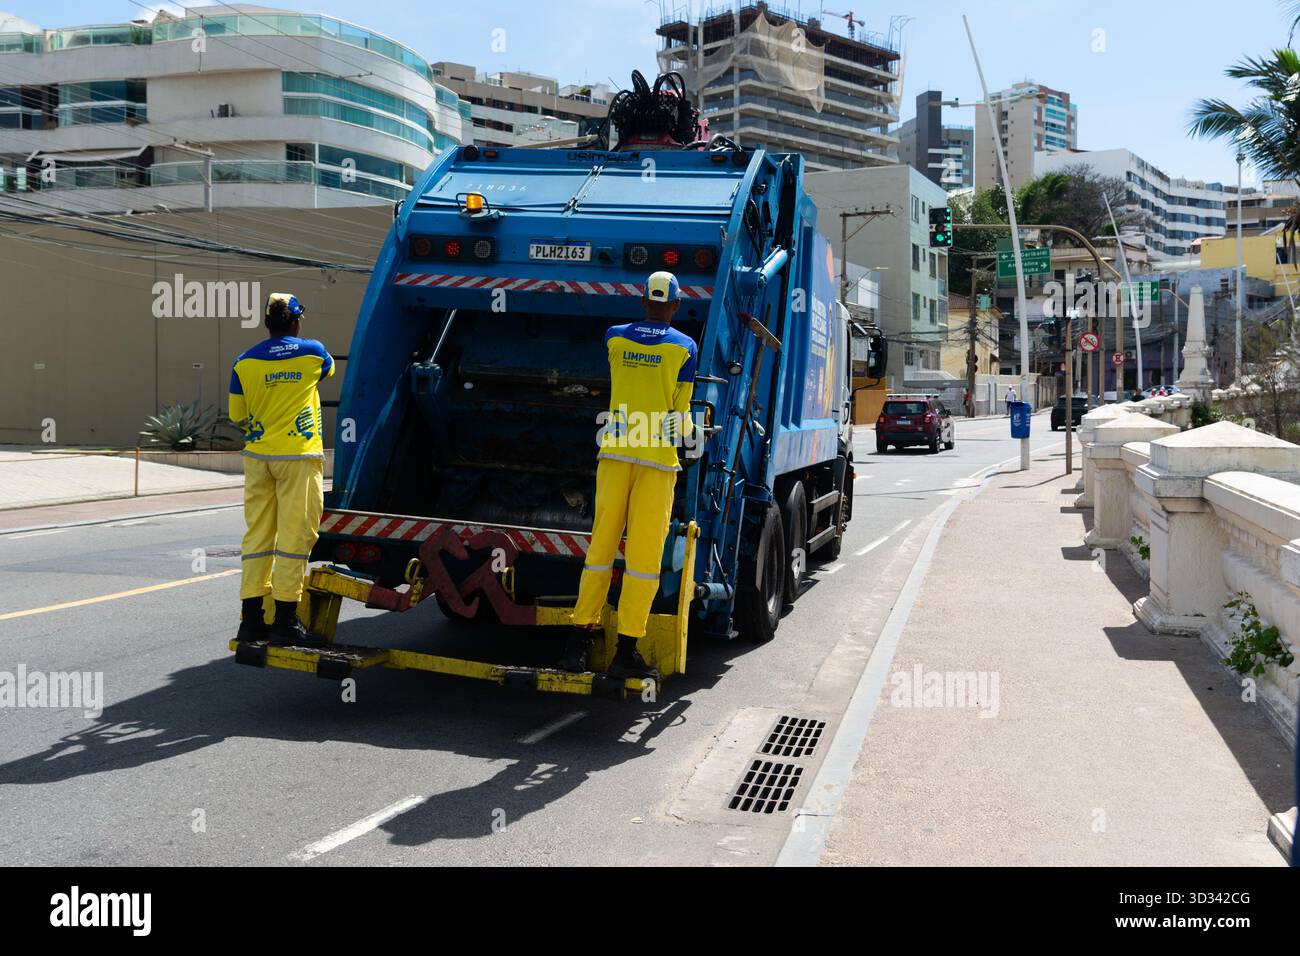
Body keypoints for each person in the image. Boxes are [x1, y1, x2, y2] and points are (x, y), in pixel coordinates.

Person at [558, 271, 697, 681]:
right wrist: (692, 438)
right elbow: (680, 415)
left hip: (615, 455)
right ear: (673, 305)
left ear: (643, 302)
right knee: (642, 562)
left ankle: (576, 645)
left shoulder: (614, 337)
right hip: (656, 464)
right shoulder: (684, 348)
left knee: (599, 552)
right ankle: (626, 651)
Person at [230, 293, 335, 644]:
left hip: (258, 459)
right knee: (294, 538)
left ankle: (251, 620)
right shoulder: (312, 352)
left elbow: (237, 415)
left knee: (257, 538)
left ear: (266, 324)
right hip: (298, 459)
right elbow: (329, 370)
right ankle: (287, 620)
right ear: (296, 322)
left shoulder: (243, 363)